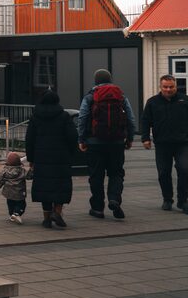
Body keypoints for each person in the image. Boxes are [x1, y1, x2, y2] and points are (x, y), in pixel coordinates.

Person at [78, 69, 136, 219]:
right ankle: (114, 199)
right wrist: (129, 138)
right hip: (116, 142)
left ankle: (97, 208)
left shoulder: (90, 96)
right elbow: (130, 118)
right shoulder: (120, 96)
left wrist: (81, 139)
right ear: (110, 79)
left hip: (94, 142)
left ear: (95, 80)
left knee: (96, 175)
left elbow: (82, 118)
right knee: (116, 172)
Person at [27, 90, 78, 229]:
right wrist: (71, 152)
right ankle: (57, 212)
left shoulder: (35, 117)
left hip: (41, 157)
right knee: (60, 185)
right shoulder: (64, 116)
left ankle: (46, 218)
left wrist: (31, 158)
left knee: (45, 186)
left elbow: (29, 139)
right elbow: (73, 136)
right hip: (61, 157)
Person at [140, 74, 188, 212]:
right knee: (163, 172)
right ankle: (167, 199)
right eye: (165, 87)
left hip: (182, 143)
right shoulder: (152, 102)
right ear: (160, 87)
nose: (168, 89)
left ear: (176, 86)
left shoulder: (184, 100)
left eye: (171, 87)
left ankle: (183, 200)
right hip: (162, 144)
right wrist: (145, 138)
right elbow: (145, 121)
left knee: (185, 169)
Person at [0, 151, 27, 224]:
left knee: (10, 203)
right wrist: (32, 169)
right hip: (19, 192)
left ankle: (11, 214)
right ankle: (17, 213)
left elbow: (1, 179)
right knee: (21, 203)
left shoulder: (5, 170)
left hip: (8, 192)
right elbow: (29, 176)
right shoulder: (22, 170)